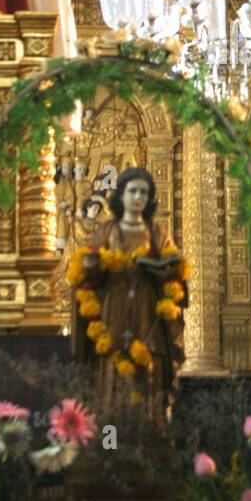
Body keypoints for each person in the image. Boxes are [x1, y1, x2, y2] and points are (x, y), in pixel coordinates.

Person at [84, 168, 186, 409]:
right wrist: (93, 265)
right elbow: (88, 269)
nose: (138, 197)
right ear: (120, 195)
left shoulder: (157, 233)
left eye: (144, 192)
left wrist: (159, 268)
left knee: (150, 361)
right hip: (114, 306)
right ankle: (110, 429)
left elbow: (176, 270)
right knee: (112, 359)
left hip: (147, 308)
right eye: (133, 191)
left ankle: (150, 423)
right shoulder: (106, 231)